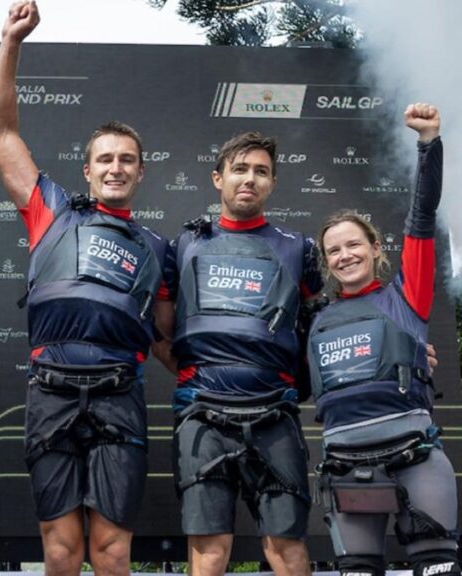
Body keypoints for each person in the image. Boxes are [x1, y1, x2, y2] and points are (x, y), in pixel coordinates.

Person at [0, 2, 175, 574]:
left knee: (113, 548)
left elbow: (167, 341)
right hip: (52, 391)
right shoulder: (51, 211)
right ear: (87, 170)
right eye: (105, 160)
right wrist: (10, 42)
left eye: (127, 161)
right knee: (61, 547)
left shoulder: (160, 249)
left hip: (120, 395)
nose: (116, 168)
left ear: (141, 172)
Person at [164, 129, 323, 576]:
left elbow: (325, 319)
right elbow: (160, 329)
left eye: (261, 172)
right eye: (239, 169)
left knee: (287, 550)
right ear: (218, 178)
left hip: (275, 415)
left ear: (272, 183)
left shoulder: (300, 249)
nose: (249, 179)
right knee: (210, 552)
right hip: (202, 417)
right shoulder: (186, 245)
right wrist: (196, 373)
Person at [309, 103, 458, 576]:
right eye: (334, 250)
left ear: (375, 248)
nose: (344, 255)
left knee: (436, 567)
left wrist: (428, 143)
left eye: (354, 244)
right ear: (326, 262)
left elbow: (422, 211)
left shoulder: (406, 295)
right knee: (355, 570)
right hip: (344, 464)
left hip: (413, 453)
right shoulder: (316, 319)